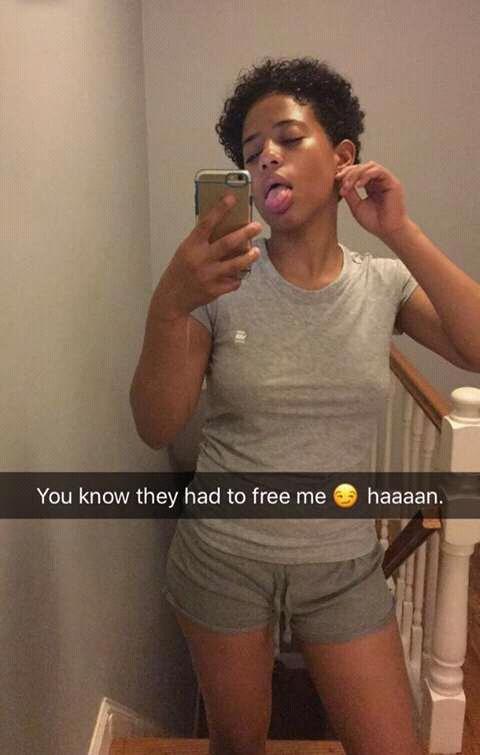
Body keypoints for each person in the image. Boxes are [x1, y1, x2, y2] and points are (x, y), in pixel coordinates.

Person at [130, 56, 480, 755]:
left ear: (343, 157)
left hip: (343, 566)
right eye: (252, 153)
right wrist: (169, 305)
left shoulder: (383, 284)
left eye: (288, 139)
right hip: (222, 557)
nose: (267, 159)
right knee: (237, 743)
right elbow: (155, 425)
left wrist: (399, 230)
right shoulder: (218, 283)